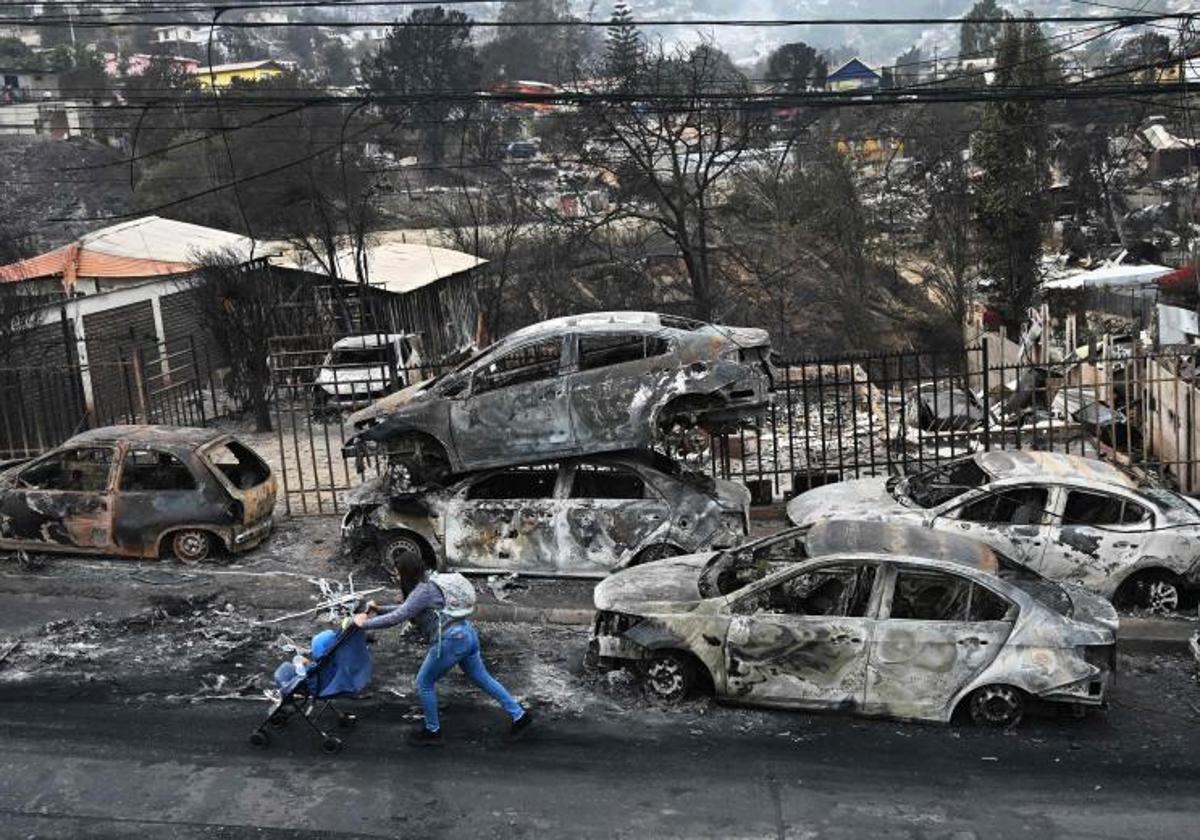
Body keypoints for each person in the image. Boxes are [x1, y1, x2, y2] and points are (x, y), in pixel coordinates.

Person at [352, 554, 531, 746]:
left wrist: (364, 624)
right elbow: (406, 609)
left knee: (424, 682)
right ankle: (519, 716)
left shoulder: (423, 591)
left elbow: (398, 616)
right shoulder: (429, 583)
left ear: (406, 571)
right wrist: (379, 609)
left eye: (398, 571)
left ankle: (432, 731)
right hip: (466, 634)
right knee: (482, 678)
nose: (396, 575)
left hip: (451, 641)